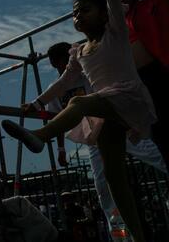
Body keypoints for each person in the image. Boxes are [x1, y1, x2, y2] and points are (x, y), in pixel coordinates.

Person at [2, 0, 157, 242]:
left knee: (79, 103)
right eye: (75, 13)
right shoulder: (79, 51)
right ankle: (138, 237)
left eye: (85, 10)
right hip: (109, 108)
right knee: (114, 177)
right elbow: (61, 83)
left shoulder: (115, 32)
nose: (78, 15)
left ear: (104, 14)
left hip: (128, 97)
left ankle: (40, 136)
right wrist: (37, 103)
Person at [42, 42, 166, 232]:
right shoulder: (57, 89)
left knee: (155, 154)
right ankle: (120, 231)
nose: (61, 67)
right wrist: (60, 150)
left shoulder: (86, 75)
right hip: (92, 138)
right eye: (57, 64)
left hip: (114, 125)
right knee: (103, 186)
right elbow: (58, 121)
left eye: (63, 62)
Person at [100, 0, 169, 163]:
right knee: (163, 139)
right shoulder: (108, 33)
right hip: (138, 88)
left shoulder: (152, 4)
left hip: (162, 76)